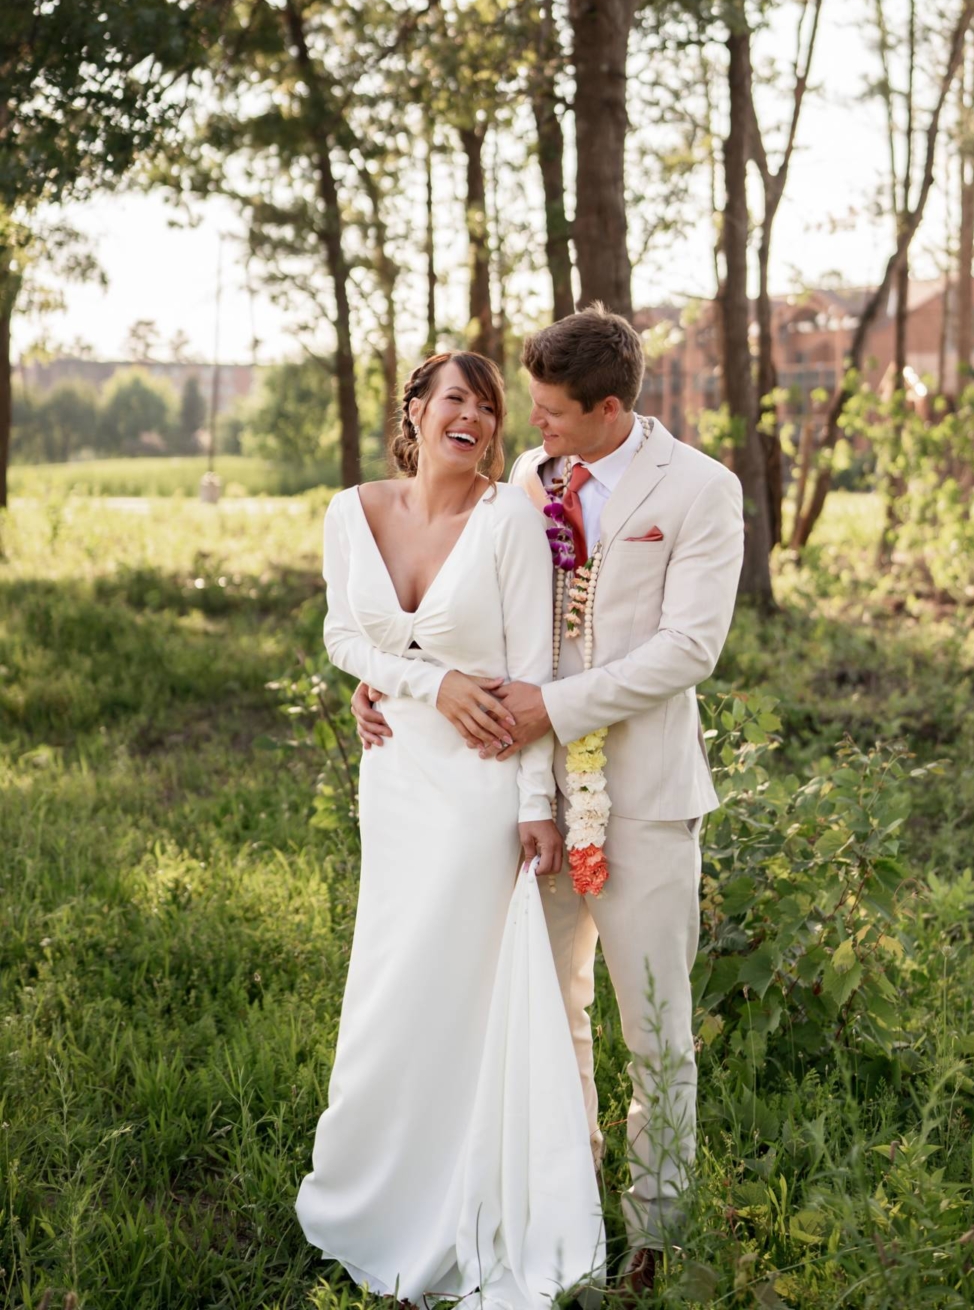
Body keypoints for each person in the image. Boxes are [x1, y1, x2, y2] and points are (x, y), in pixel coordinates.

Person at [352, 309, 745, 1292]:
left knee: (655, 1026)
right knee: (548, 1010)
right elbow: (476, 611)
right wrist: (392, 678)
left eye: (555, 412)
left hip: (644, 796)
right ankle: (569, 1207)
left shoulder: (700, 489)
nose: (534, 427)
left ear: (610, 408)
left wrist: (551, 708)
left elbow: (689, 649)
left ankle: (657, 1233)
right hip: (523, 798)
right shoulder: (529, 480)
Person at [296, 350, 604, 1305]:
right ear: (417, 412)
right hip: (395, 776)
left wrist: (535, 803)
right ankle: (378, 1193)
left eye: (489, 406)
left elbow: (532, 665)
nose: (472, 416)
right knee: (389, 983)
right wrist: (426, 683)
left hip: (481, 786)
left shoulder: (509, 519)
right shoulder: (351, 511)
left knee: (463, 992)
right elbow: (344, 636)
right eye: (455, 399)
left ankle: (470, 1202)